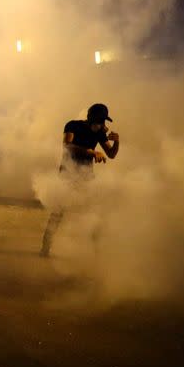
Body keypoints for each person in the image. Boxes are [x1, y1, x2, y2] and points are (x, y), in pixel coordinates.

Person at [40, 103, 120, 257]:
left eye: (103, 121)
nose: (101, 124)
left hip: (86, 176)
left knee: (94, 211)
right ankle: (45, 248)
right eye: (99, 120)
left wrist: (117, 141)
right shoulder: (73, 125)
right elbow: (67, 146)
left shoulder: (99, 133)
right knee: (58, 212)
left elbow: (111, 154)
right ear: (91, 118)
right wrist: (91, 152)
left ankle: (97, 253)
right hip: (67, 174)